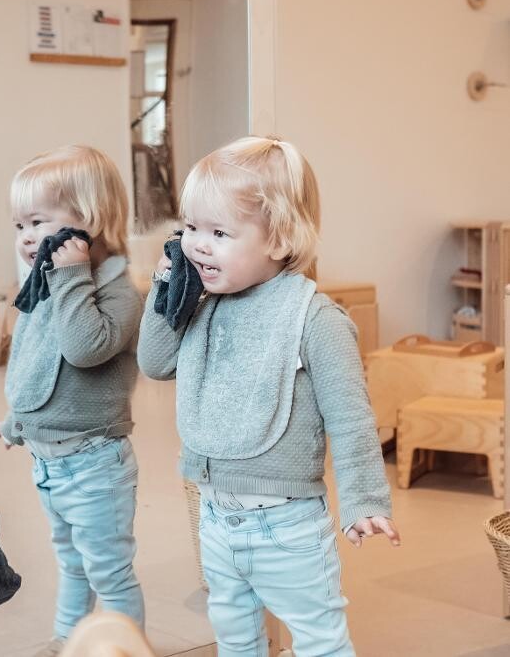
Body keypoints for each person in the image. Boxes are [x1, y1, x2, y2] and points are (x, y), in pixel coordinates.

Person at [138, 136, 400, 656]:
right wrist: (169, 285)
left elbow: (350, 418)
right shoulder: (203, 304)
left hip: (288, 528)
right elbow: (155, 362)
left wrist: (365, 498)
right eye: (189, 228)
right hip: (214, 518)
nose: (197, 244)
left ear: (279, 239)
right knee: (235, 640)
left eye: (218, 232)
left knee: (319, 641)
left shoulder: (317, 320)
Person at [0, 145, 145, 657]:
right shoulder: (49, 287)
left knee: (110, 573)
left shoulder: (118, 293)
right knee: (72, 563)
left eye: (37, 222)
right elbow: (36, 363)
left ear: (88, 220)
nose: (26, 237)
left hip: (96, 465)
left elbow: (84, 348)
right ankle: (66, 643)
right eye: (19, 226)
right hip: (51, 464)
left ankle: (127, 646)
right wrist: (17, 422)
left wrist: (73, 275)